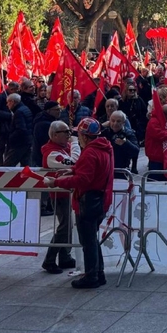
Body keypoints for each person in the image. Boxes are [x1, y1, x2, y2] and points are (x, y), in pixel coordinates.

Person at [44, 118, 114, 289]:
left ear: (84, 136)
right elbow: (87, 170)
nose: (74, 137)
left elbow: (83, 179)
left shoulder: (90, 152)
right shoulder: (104, 148)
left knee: (88, 241)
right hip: (100, 199)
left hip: (88, 201)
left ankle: (92, 276)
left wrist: (57, 182)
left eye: (77, 134)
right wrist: (74, 169)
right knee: (92, 240)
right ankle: (98, 273)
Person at [40, 120, 77, 274]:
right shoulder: (52, 153)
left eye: (69, 131)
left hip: (68, 192)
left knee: (68, 226)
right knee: (65, 226)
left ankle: (65, 256)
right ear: (55, 135)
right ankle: (49, 260)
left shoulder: (63, 148)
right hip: (59, 193)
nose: (69, 134)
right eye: (65, 132)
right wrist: (75, 143)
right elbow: (74, 162)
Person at [3, 93, 34, 167]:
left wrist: (11, 138)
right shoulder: (24, 108)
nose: (7, 105)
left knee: (8, 165)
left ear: (13, 102)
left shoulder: (18, 112)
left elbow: (20, 129)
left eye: (8, 102)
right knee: (26, 164)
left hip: (19, 143)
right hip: (27, 141)